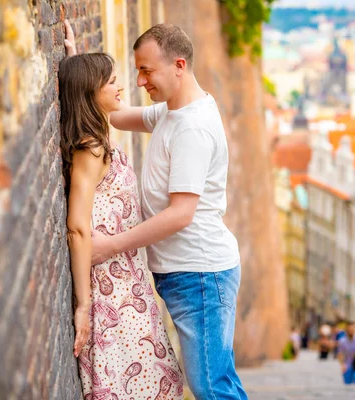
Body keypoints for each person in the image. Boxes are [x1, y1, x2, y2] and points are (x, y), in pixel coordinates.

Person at [65, 22, 247, 399]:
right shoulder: (170, 112)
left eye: (147, 70)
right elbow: (109, 113)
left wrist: (111, 245)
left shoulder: (191, 128)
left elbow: (181, 214)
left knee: (211, 386)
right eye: (136, 70)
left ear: (179, 65)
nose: (140, 80)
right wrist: (79, 73)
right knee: (214, 381)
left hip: (201, 275)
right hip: (187, 273)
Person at [59, 46, 183, 398]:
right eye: (111, 82)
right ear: (90, 92)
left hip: (131, 285)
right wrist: (84, 307)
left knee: (160, 383)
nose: (120, 87)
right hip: (110, 293)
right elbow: (77, 227)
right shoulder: (90, 149)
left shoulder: (101, 137)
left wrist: (76, 55)